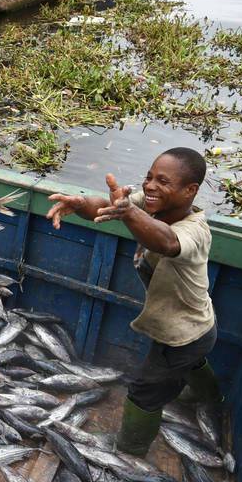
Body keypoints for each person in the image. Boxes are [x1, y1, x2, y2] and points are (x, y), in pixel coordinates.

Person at [46, 147, 220, 457]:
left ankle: (129, 451)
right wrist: (83, 203)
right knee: (191, 366)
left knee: (144, 392)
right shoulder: (152, 204)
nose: (151, 186)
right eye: (149, 177)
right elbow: (109, 207)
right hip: (199, 325)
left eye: (163, 181)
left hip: (185, 335)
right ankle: (210, 399)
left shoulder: (196, 231)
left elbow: (166, 242)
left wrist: (128, 211)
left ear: (190, 190)